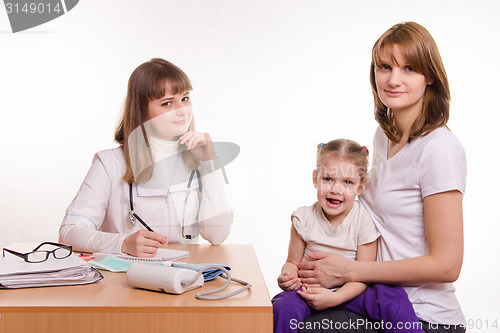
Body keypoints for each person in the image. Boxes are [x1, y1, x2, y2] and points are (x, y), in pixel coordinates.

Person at [298, 22, 467, 332]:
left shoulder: (439, 148)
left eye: (409, 69)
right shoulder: (382, 137)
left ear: (429, 75)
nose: (393, 80)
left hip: (422, 315)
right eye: (385, 67)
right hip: (374, 300)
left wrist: (351, 270)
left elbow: (448, 265)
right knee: (286, 314)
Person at [59, 58, 232, 257]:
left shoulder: (198, 158)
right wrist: (121, 243)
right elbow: (69, 232)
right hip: (124, 280)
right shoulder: (109, 163)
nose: (182, 111)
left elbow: (217, 235)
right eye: (167, 103)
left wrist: (210, 164)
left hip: (183, 277)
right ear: (142, 111)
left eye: (185, 98)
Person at [272, 139, 424, 333]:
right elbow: (292, 262)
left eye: (347, 182)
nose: (336, 189)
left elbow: (364, 274)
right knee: (283, 305)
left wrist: (336, 297)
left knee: (393, 299)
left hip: (354, 290)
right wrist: (288, 276)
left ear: (360, 187)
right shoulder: (303, 218)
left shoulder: (364, 220)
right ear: (315, 178)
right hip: (310, 289)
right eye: (328, 179)